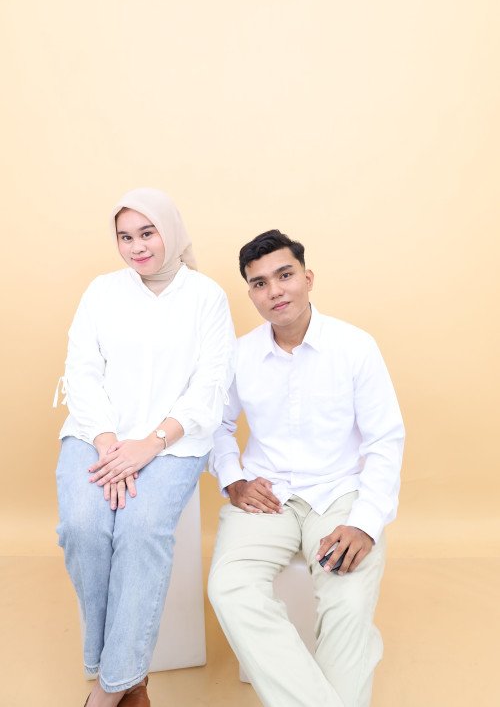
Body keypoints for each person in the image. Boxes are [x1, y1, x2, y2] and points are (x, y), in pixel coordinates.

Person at [208, 229, 404, 707]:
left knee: (348, 600)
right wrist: (233, 478)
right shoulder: (239, 354)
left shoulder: (355, 346)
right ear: (251, 294)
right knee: (229, 588)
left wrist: (365, 523)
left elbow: (385, 440)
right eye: (259, 283)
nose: (274, 291)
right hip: (266, 496)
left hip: (339, 493)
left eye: (285, 275)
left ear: (308, 278)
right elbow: (215, 425)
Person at [55, 187, 234, 707]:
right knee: (83, 528)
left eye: (147, 233)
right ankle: (125, 676)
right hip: (95, 434)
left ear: (170, 231)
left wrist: (149, 444)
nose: (137, 247)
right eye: (125, 237)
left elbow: (211, 385)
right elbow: (81, 371)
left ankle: (106, 690)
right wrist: (110, 443)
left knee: (138, 532)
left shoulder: (206, 296)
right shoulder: (102, 291)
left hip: (174, 441)